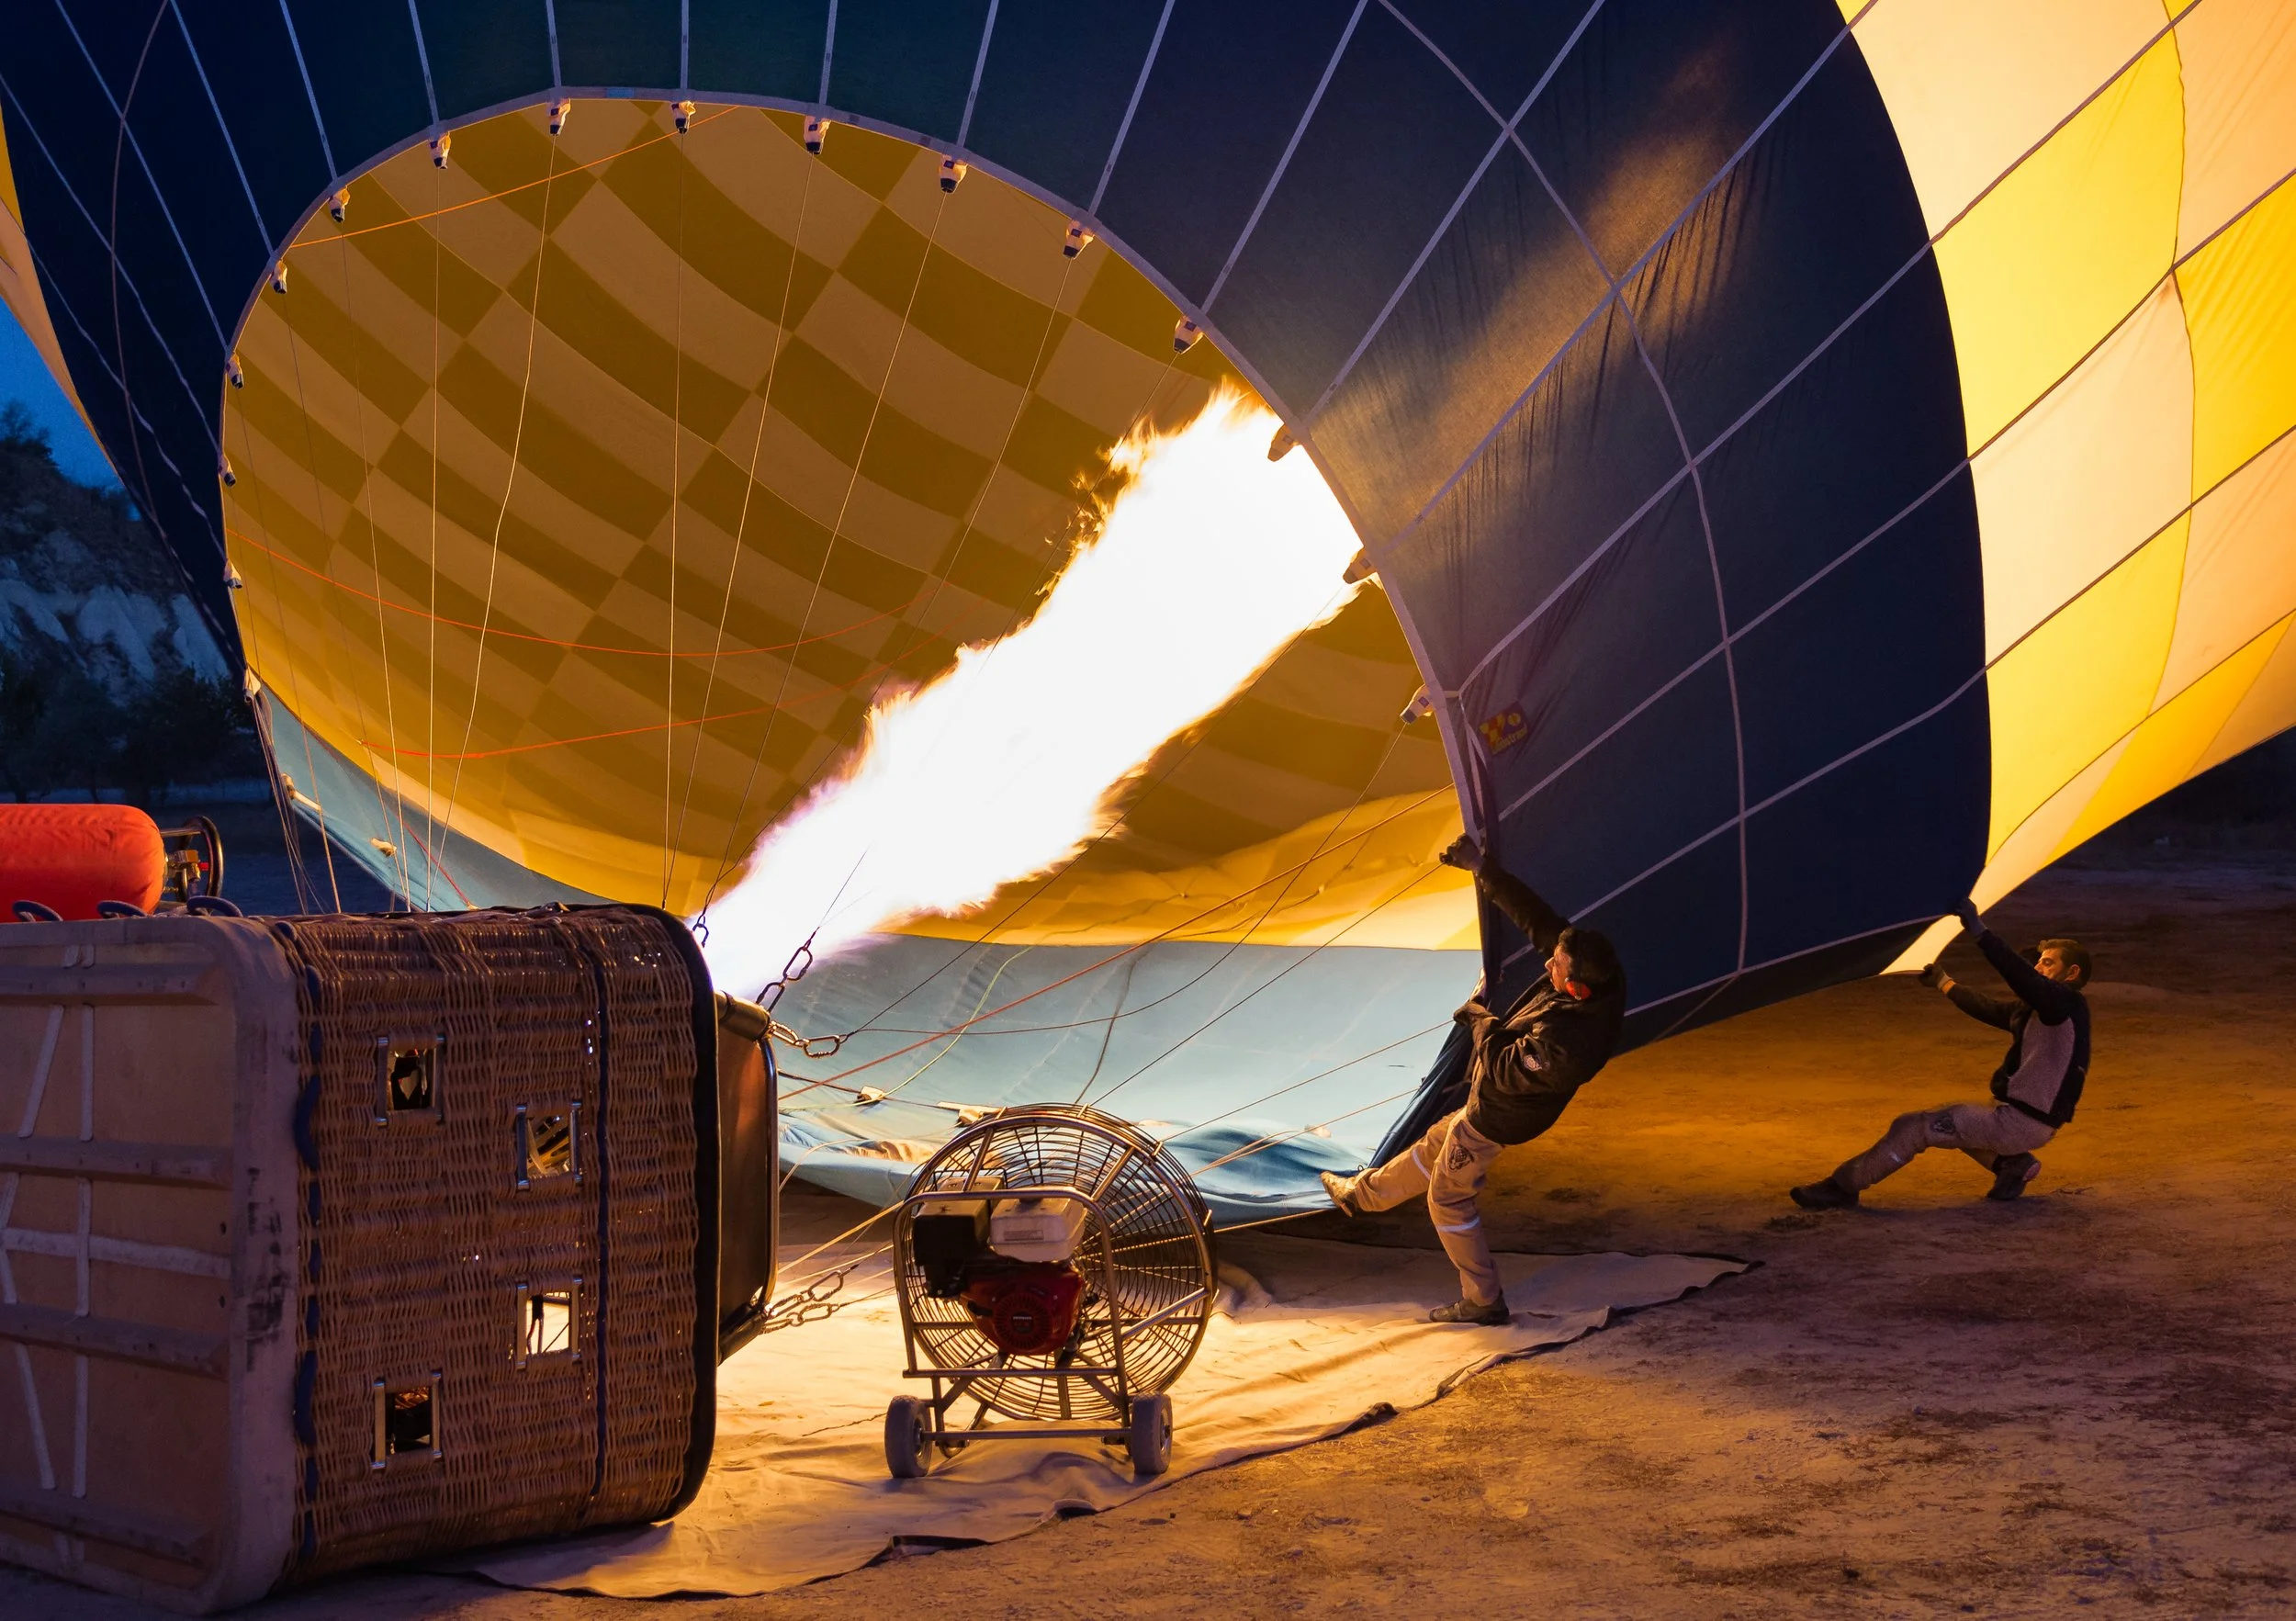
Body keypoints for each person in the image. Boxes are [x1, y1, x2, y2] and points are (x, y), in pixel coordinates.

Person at [1320, 834, 1626, 1325]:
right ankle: (1363, 1196)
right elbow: (1538, 920)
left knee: (1448, 1198)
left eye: (1555, 965)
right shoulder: (1596, 971)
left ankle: (1483, 1302)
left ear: (1575, 988)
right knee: (1435, 1143)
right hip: (1491, 1105)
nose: (1547, 962)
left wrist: (1479, 1019)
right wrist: (1482, 868)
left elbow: (1504, 1066)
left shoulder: (1570, 1045)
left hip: (1502, 1116)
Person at [1791, 898, 2091, 1210]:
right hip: (2022, 1120)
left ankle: (1843, 1186)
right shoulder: (2045, 1010)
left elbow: (2019, 975)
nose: (2038, 967)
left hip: (2019, 1124)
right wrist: (1943, 982)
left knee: (1914, 1126)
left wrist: (1978, 930)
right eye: (2039, 961)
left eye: (2048, 963)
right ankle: (2012, 1165)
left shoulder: (2064, 1003)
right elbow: (1990, 1009)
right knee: (1955, 1121)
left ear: (2072, 973)